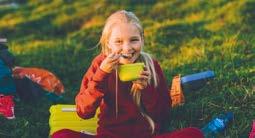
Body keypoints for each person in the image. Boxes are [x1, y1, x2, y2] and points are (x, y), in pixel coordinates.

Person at [52, 10, 204, 138]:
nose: (127, 48)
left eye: (134, 40)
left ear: (142, 40)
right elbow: (83, 112)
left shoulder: (150, 65)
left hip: (146, 135)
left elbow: (163, 116)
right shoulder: (100, 65)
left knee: (194, 134)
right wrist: (101, 75)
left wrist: (146, 90)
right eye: (118, 41)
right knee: (60, 135)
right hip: (109, 135)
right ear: (108, 44)